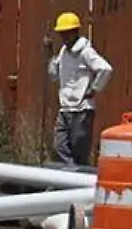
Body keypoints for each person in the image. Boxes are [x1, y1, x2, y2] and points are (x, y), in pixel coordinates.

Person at [48, 11, 113, 166]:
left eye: (66, 33)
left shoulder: (86, 52)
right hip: (65, 108)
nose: (64, 38)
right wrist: (51, 56)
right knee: (60, 146)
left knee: (79, 150)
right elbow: (54, 74)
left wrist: (94, 89)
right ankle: (71, 174)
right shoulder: (63, 52)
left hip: (82, 109)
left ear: (75, 32)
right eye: (62, 34)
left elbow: (105, 69)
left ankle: (79, 178)